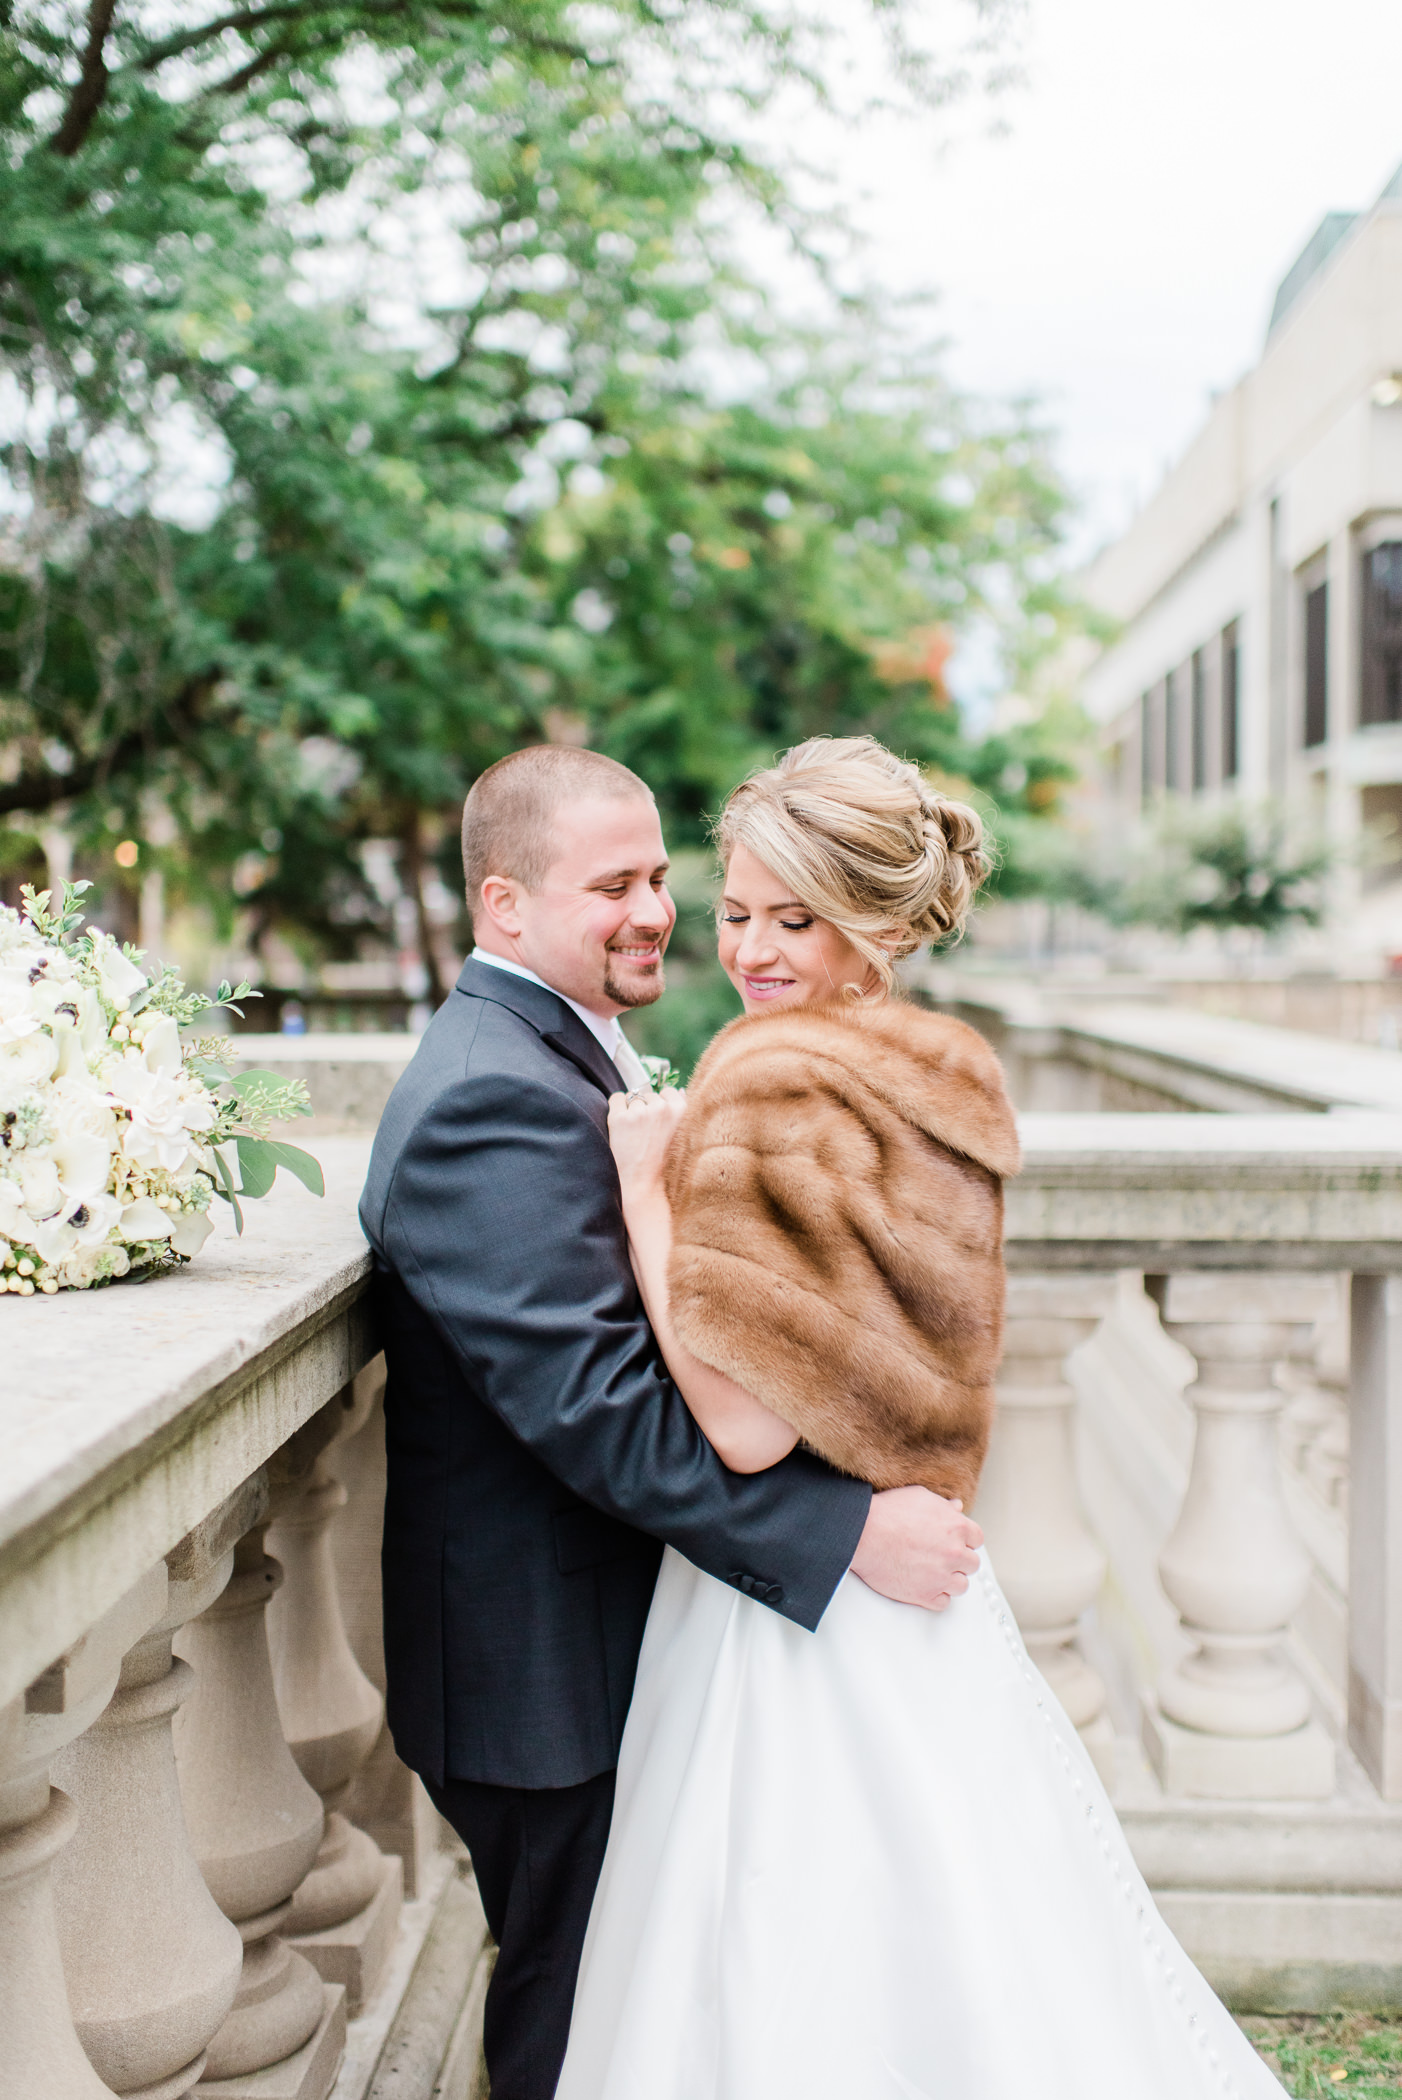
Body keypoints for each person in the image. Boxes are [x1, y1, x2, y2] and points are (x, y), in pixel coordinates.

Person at [556, 735, 1289, 2100]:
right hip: (920, 1591)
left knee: (785, 1959)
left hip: (800, 1605)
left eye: (796, 918)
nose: (752, 949)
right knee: (976, 1939)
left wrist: (648, 1189)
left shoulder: (768, 1080)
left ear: (881, 922)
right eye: (737, 911)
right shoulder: (945, 1070)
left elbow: (742, 1431)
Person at [357, 743, 985, 2100]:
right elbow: (598, 1408)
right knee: (574, 2017)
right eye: (610, 886)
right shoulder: (487, 1096)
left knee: (668, 2000)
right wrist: (840, 1534)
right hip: (543, 1674)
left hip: (624, 1639)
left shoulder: (569, 1053)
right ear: (503, 908)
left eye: (657, 877)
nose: (654, 912)